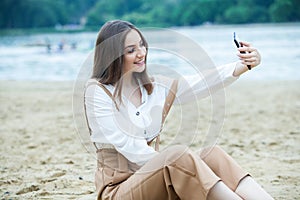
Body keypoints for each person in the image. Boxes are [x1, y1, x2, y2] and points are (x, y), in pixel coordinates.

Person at [84, 20, 273, 200]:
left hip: (154, 181)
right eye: (131, 50)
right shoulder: (98, 92)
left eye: (142, 45)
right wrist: (176, 164)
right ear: (113, 56)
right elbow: (130, 147)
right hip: (119, 191)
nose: (141, 53)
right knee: (178, 156)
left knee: (211, 154)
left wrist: (243, 65)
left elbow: (200, 82)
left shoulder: (152, 88)